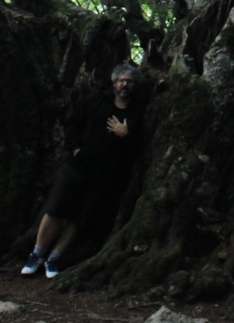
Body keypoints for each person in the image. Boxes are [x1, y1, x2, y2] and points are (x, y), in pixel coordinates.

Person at [21, 63, 145, 279]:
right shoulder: (96, 101)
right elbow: (72, 123)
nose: (125, 84)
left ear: (135, 86)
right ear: (114, 82)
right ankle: (37, 254)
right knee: (56, 209)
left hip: (104, 176)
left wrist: (125, 134)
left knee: (80, 217)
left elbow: (138, 149)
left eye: (130, 81)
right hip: (77, 168)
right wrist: (76, 149)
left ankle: (55, 258)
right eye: (121, 80)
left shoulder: (137, 113)